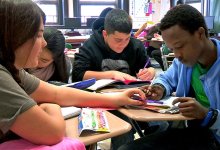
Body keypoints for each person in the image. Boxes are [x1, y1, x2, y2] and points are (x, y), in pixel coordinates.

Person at [0, 0, 146, 146]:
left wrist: (116, 99)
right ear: (15, 37)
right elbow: (52, 133)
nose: (44, 43)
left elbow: (57, 93)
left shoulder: (13, 70)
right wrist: (51, 106)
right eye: (39, 35)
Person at [119, 4, 220, 150]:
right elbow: (166, 78)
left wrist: (208, 115)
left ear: (200, 34)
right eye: (172, 49)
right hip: (198, 135)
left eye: (179, 46)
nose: (177, 55)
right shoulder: (185, 62)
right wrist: (159, 88)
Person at [72, 9, 155, 83]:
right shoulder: (90, 45)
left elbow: (149, 67)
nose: (123, 44)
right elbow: (78, 75)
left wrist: (150, 72)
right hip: (97, 96)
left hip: (130, 94)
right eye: (118, 40)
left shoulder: (136, 45)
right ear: (105, 34)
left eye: (127, 38)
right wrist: (111, 74)